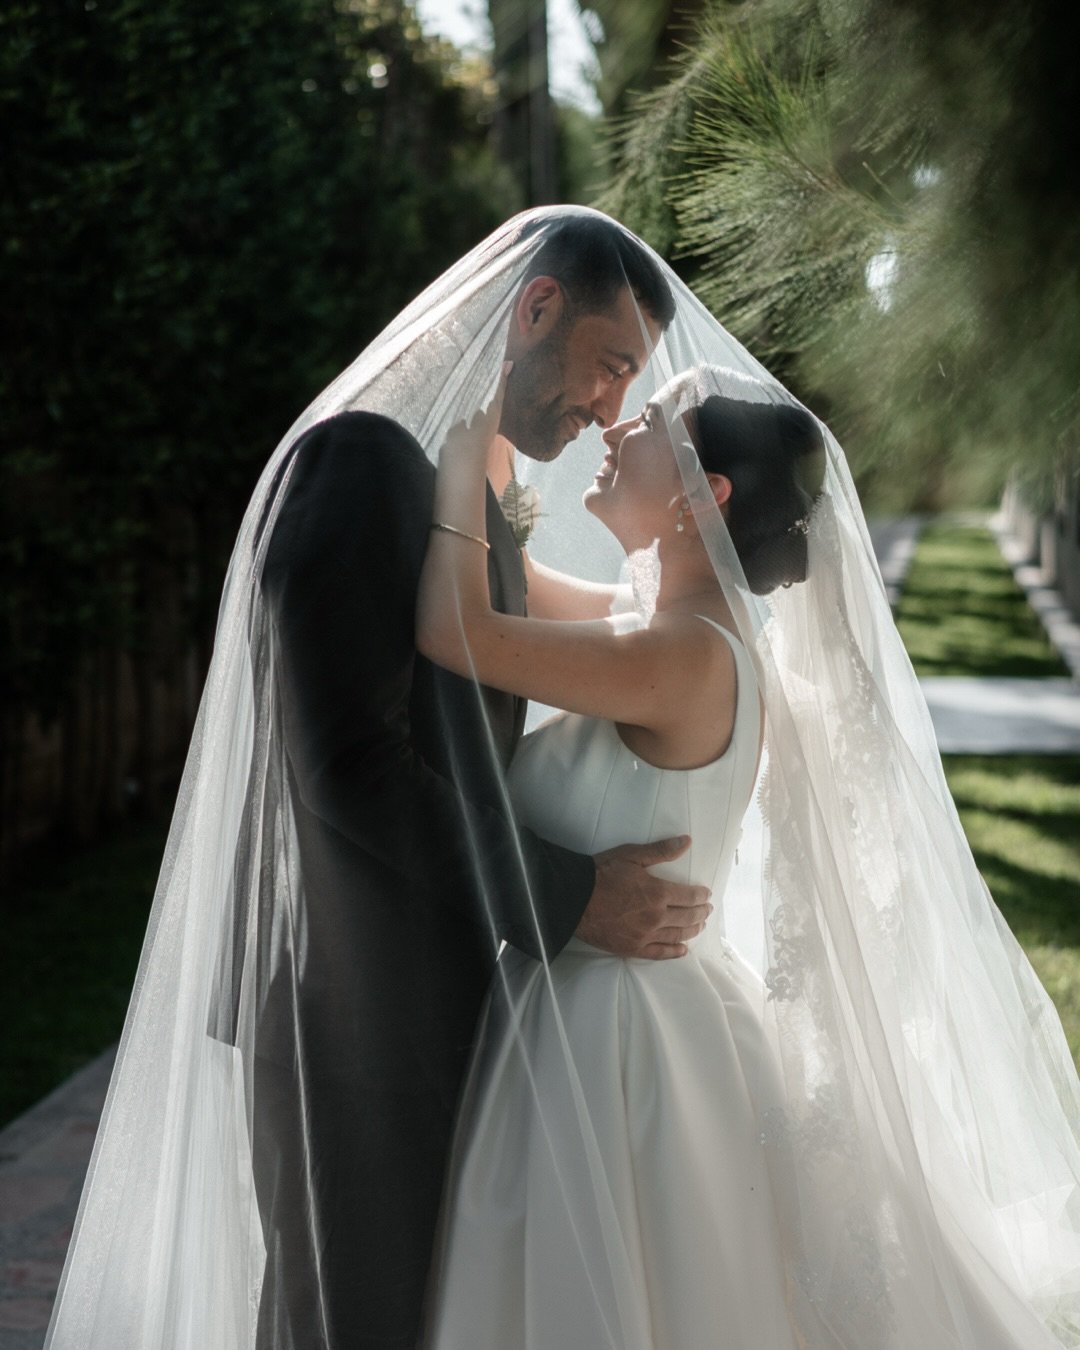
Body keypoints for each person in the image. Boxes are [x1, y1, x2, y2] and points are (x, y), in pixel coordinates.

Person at [43, 209, 1080, 1350]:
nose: (609, 409)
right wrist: (579, 896)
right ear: (534, 308)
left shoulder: (634, 615)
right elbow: (349, 767)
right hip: (354, 999)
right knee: (348, 1317)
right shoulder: (361, 463)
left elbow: (478, 626)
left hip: (530, 1026)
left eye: (635, 388)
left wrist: (479, 465)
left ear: (706, 499)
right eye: (611, 364)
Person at [415, 360, 1080, 1348]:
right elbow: (514, 577)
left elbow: (458, 628)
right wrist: (499, 457)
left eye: (639, 427)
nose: (611, 434)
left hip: (613, 1048)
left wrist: (460, 452)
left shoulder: (680, 658)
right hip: (618, 1013)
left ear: (704, 493)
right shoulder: (671, 630)